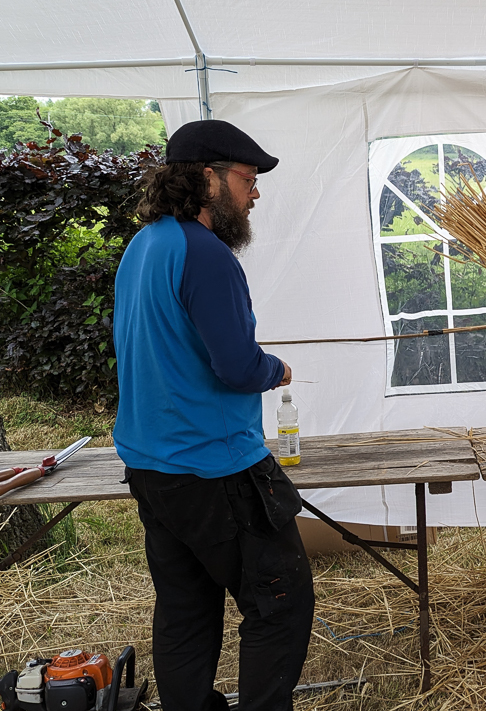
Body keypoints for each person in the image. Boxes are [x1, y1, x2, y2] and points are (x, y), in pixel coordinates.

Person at [113, 120, 314, 711]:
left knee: (185, 607)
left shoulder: (144, 244)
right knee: (281, 602)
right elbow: (234, 365)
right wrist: (272, 369)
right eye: (247, 179)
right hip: (213, 467)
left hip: (152, 466)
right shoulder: (206, 255)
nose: (255, 194)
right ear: (208, 178)